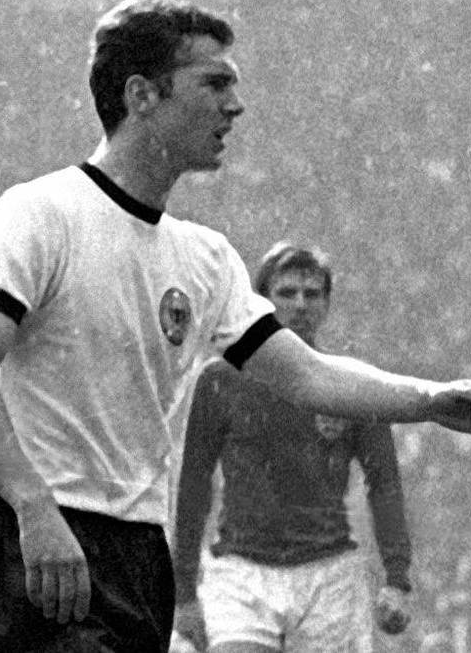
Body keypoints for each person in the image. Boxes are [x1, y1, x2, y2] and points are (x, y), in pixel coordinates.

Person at [0, 0, 471, 653]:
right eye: (215, 82)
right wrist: (34, 508)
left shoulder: (203, 258)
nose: (235, 105)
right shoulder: (39, 213)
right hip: (38, 543)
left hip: (138, 553)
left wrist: (429, 400)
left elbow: (309, 375)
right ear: (142, 94)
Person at [172, 243, 413, 653]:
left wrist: (397, 578)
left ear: (327, 304)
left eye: (312, 294)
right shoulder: (220, 380)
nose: (300, 304)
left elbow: (384, 484)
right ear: (261, 301)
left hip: (330, 574)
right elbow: (194, 486)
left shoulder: (351, 384)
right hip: (241, 572)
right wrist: (183, 593)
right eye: (287, 293)